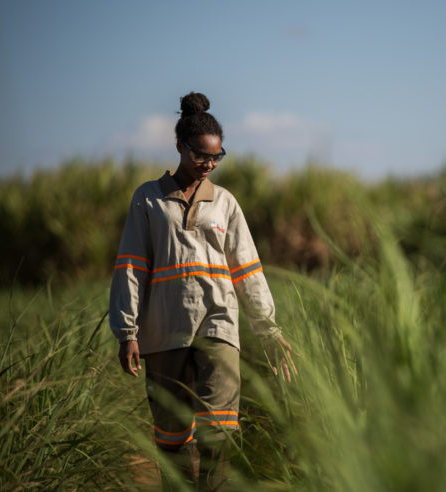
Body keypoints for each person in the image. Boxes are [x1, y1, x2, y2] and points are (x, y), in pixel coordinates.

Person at [109, 91, 296, 490]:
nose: (208, 165)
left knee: (219, 433)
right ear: (180, 146)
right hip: (164, 331)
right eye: (200, 156)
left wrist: (269, 329)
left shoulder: (225, 203)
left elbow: (248, 270)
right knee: (172, 438)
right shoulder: (147, 199)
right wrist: (127, 333)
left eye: (216, 157)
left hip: (219, 327)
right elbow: (130, 267)